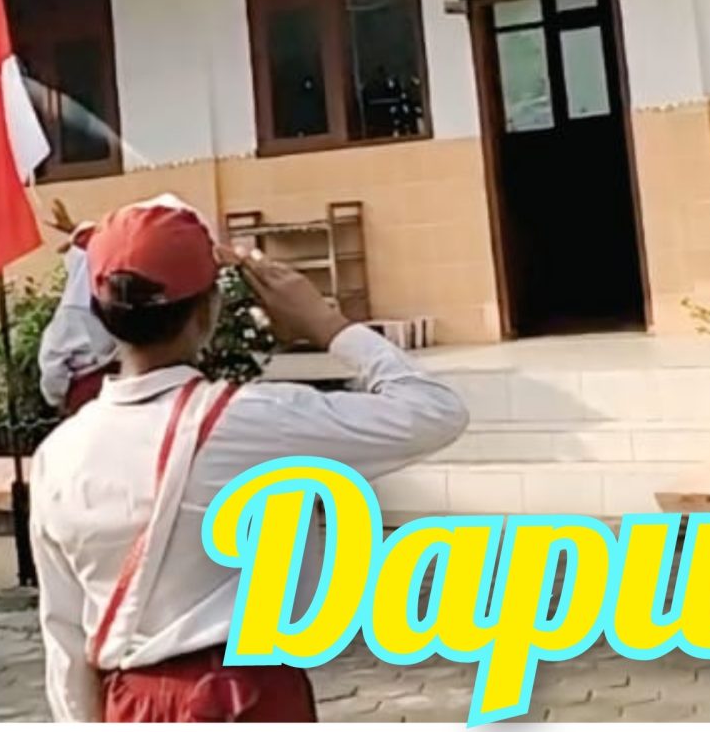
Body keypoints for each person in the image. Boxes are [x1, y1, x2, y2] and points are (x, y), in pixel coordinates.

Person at [32, 194, 468, 722]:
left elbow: (64, 633)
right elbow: (434, 411)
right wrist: (326, 323)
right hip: (244, 696)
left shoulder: (58, 455)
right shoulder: (251, 421)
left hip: (131, 703)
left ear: (101, 316)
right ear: (209, 311)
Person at [37, 218, 116, 415]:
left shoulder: (70, 313)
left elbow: (53, 363)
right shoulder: (118, 304)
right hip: (120, 390)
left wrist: (57, 396)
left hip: (85, 395)